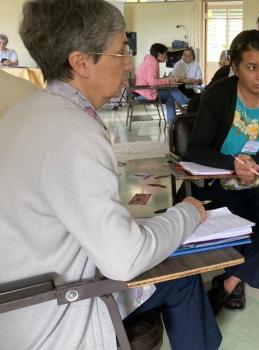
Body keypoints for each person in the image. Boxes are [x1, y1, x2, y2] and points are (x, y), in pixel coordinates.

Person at [0, 1, 220, 349]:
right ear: (80, 62)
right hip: (53, 312)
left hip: (18, 300)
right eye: (121, 50)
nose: (129, 62)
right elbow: (124, 259)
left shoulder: (26, 112)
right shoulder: (72, 132)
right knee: (183, 276)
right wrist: (188, 213)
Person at [186, 30, 259, 315]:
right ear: (235, 67)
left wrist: (256, 159)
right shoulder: (220, 95)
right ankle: (235, 282)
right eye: (251, 67)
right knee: (242, 217)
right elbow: (194, 149)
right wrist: (231, 164)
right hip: (221, 179)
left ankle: (231, 280)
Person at [135, 43, 190, 126]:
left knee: (170, 96)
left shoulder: (151, 61)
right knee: (171, 91)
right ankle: (188, 103)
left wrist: (164, 79)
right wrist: (168, 80)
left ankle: (172, 122)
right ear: (159, 54)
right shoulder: (152, 63)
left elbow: (152, 80)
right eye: (165, 54)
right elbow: (153, 82)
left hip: (144, 91)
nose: (166, 56)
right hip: (144, 93)